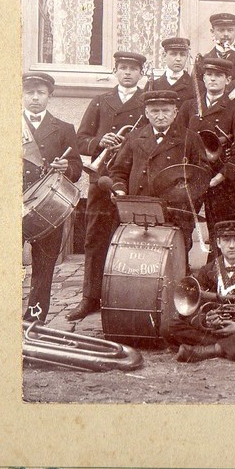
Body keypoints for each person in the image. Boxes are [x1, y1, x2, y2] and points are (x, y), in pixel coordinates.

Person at [67, 50, 148, 322]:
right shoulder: (100, 101)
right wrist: (99, 142)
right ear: (115, 71)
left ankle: (123, 297)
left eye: (133, 69)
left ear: (141, 73)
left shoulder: (147, 102)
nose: (127, 73)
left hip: (131, 179)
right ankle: (90, 297)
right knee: (95, 238)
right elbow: (80, 140)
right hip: (101, 179)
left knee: (131, 240)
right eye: (123, 68)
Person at [107, 89, 207, 256]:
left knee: (174, 261)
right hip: (139, 211)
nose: (160, 116)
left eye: (166, 111)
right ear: (147, 113)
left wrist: (189, 209)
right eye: (155, 111)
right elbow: (119, 171)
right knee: (137, 258)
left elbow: (201, 177)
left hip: (176, 214)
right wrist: (120, 190)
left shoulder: (190, 138)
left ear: (175, 112)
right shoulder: (134, 137)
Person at [21, 72, 83, 324]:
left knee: (44, 267)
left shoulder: (64, 129)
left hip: (48, 208)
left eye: (41, 93)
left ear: (50, 96)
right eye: (30, 92)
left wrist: (66, 167)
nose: (35, 98)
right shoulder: (6, 125)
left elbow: (77, 170)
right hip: (14, 205)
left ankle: (35, 319)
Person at [168, 220, 235, 364]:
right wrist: (205, 320)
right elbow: (192, 308)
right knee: (169, 327)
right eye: (226, 240)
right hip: (215, 329)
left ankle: (214, 349)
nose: (231, 245)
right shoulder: (207, 270)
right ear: (218, 243)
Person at [178, 57, 235, 260]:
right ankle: (182, 270)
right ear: (203, 78)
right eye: (209, 75)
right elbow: (177, 141)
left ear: (228, 80)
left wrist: (219, 177)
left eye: (219, 75)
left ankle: (217, 273)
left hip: (221, 182)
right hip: (191, 178)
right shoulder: (188, 106)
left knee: (220, 231)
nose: (213, 79)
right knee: (183, 229)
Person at [196, 12, 235, 98]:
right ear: (212, 32)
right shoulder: (202, 60)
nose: (226, 34)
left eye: (230, 30)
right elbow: (198, 91)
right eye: (221, 30)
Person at [150, 37, 196, 105]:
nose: (178, 59)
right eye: (174, 54)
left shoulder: (195, 86)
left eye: (182, 55)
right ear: (164, 56)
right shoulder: (153, 85)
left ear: (187, 57)